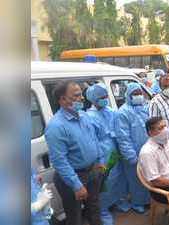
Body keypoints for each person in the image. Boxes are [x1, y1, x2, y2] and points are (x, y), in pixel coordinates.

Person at [45, 81, 104, 225]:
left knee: (94, 208)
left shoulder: (83, 116)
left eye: (81, 94)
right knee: (74, 216)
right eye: (77, 96)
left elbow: (94, 139)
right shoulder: (56, 126)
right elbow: (59, 161)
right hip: (73, 178)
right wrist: (76, 185)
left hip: (92, 171)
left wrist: (100, 161)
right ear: (62, 99)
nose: (82, 98)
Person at [86, 83, 127, 225]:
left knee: (118, 177)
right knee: (104, 182)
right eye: (101, 97)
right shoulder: (89, 117)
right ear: (93, 99)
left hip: (114, 148)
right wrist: (99, 158)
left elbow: (118, 125)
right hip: (103, 151)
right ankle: (103, 209)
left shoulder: (109, 110)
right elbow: (92, 139)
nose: (105, 99)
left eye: (105, 96)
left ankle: (115, 201)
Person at [114, 82, 151, 214]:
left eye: (140, 93)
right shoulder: (123, 112)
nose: (139, 96)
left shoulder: (144, 107)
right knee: (135, 180)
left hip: (147, 151)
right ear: (128, 96)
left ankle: (147, 200)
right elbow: (123, 138)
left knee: (147, 177)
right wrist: (131, 156)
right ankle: (137, 202)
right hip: (133, 154)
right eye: (135, 94)